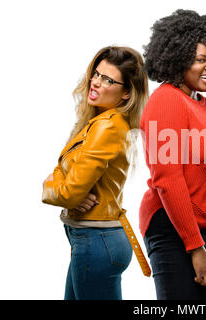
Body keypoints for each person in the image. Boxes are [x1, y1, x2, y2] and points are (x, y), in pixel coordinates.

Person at [139, 9, 206, 300]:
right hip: (177, 231)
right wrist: (195, 247)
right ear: (178, 58)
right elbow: (167, 180)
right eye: (201, 59)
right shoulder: (166, 100)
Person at [42, 46, 150, 300]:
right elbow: (64, 179)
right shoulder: (98, 122)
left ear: (126, 94)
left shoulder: (107, 127)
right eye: (97, 74)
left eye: (108, 80)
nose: (97, 83)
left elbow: (67, 193)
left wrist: (50, 186)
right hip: (93, 240)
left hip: (97, 240)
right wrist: (62, 184)